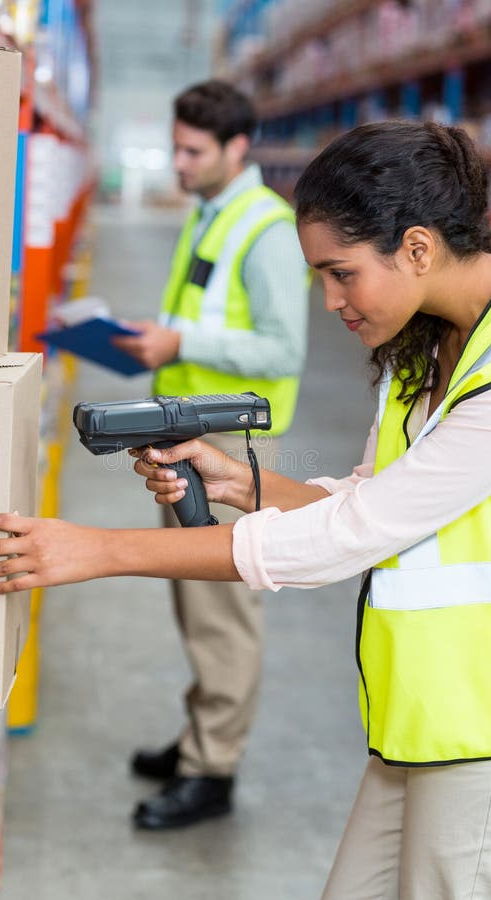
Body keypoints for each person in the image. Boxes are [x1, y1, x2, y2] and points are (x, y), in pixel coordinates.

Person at [0, 120, 491, 897]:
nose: (330, 300)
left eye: (341, 273)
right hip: (421, 722)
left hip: (490, 735)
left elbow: (351, 535)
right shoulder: (437, 344)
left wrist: (97, 552)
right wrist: (237, 483)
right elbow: (377, 498)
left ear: (417, 248)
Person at [107, 79, 309, 828]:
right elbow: (200, 311)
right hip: (186, 434)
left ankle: (213, 768)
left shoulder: (267, 229)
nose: (178, 163)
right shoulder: (212, 213)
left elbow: (284, 349)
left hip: (230, 446)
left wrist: (182, 342)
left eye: (193, 151)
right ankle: (202, 736)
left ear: (236, 147)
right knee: (197, 599)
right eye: (175, 147)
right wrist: (154, 332)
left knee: (223, 609)